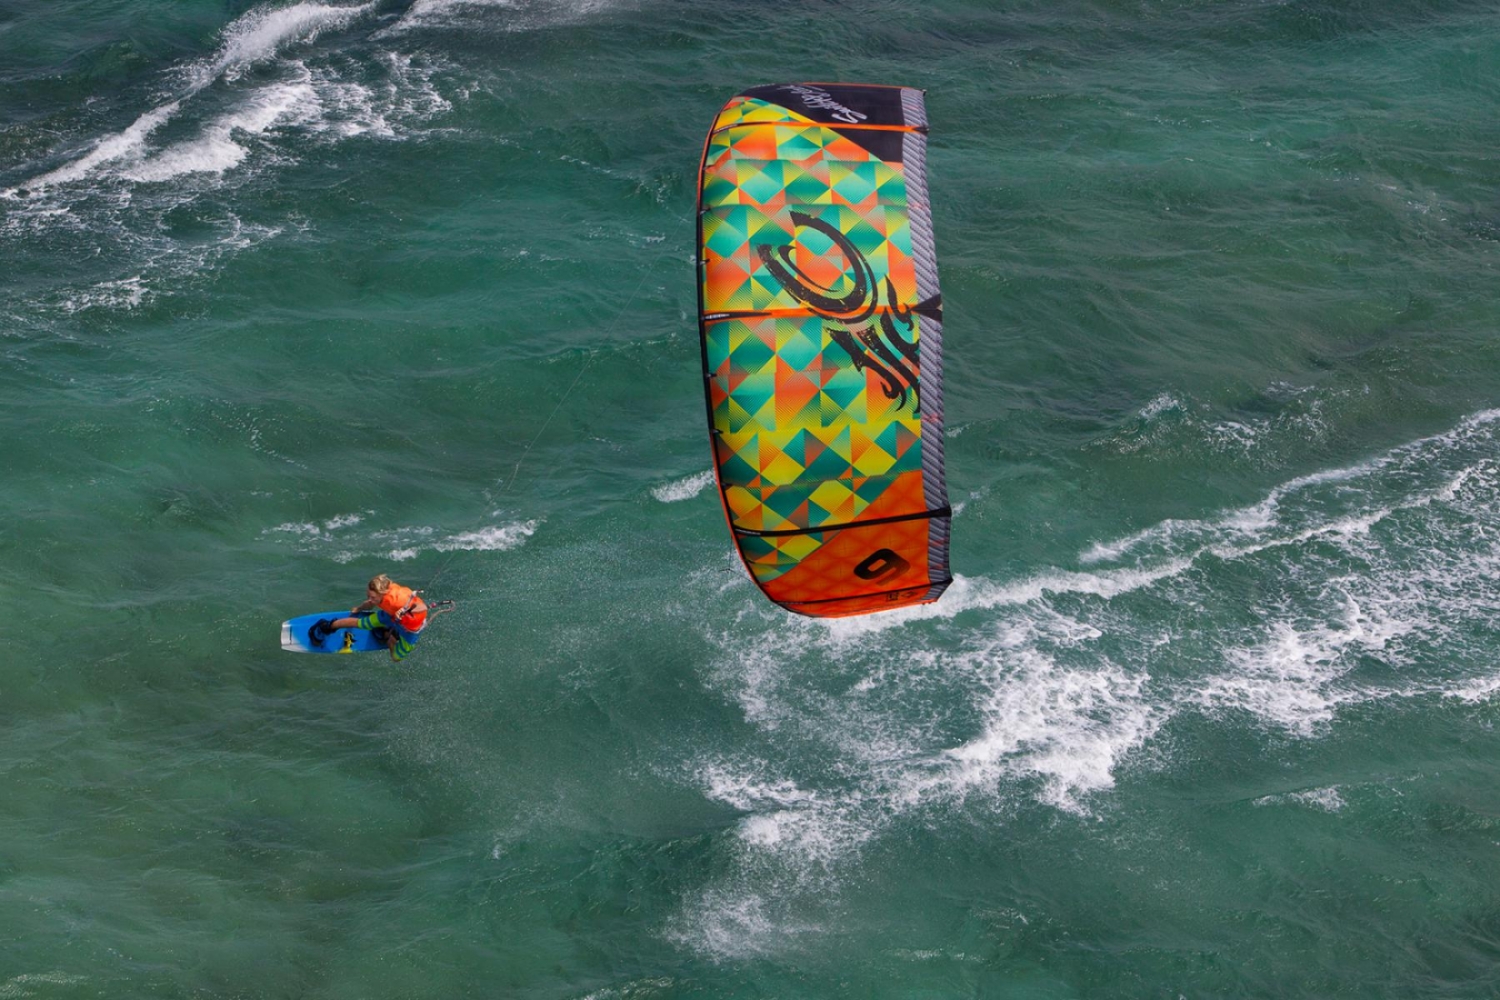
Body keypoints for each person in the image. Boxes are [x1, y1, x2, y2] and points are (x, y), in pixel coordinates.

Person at [314, 573, 428, 662]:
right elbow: (369, 604)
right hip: (390, 615)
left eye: (372, 597)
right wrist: (359, 609)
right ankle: (328, 625)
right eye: (368, 596)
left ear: (382, 593)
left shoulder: (398, 599)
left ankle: (390, 638)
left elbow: (422, 607)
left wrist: (404, 609)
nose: (370, 599)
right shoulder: (378, 597)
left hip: (410, 629)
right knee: (361, 623)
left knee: (396, 658)